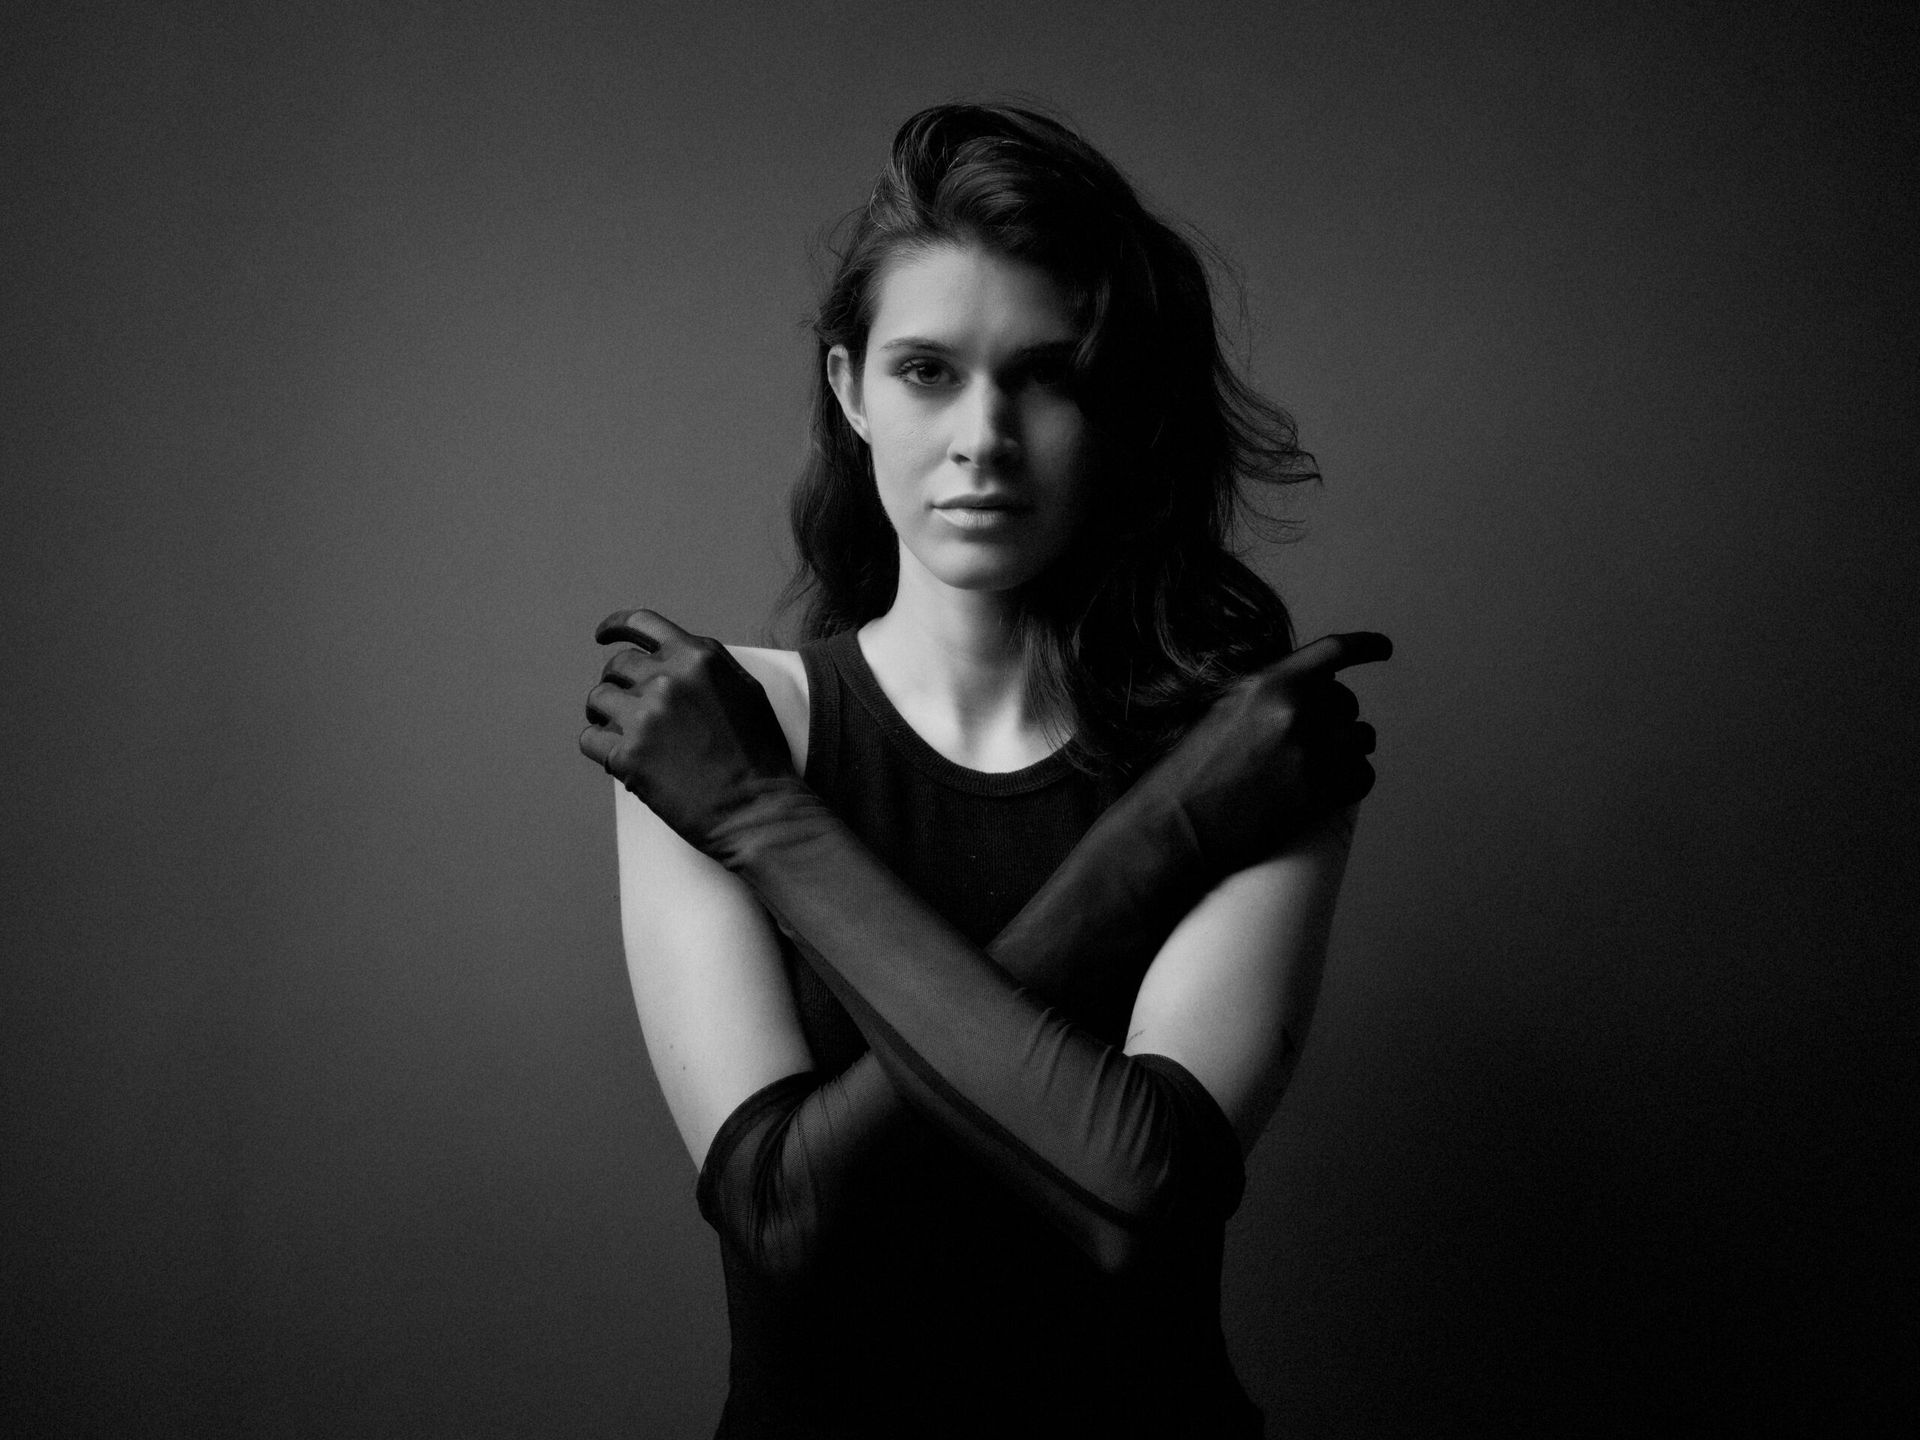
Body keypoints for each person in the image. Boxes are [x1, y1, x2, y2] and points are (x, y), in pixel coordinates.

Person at [580, 103, 1388, 1439]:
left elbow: (1135, 1188)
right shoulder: (720, 733)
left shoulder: (1253, 753)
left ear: (1116, 404)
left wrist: (764, 830)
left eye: (1048, 374)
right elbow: (787, 1217)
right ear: (848, 389)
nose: (983, 436)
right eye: (926, 371)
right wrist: (1166, 840)